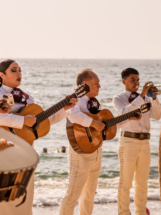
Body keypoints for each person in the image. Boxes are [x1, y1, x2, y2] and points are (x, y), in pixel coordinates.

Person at [0, 59, 77, 215]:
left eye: (20, 70)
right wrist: (23, 120)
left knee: (24, 199)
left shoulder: (28, 99)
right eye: (14, 70)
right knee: (4, 201)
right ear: (1, 75)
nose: (19, 73)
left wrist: (64, 109)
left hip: (26, 151)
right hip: (4, 150)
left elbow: (43, 122)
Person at [112, 68, 161, 215]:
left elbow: (157, 116)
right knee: (125, 183)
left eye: (138, 80)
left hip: (145, 143)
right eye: (133, 80)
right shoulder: (118, 98)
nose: (136, 82)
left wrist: (153, 98)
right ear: (124, 81)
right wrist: (142, 95)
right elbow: (124, 113)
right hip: (128, 141)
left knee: (142, 184)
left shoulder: (147, 98)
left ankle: (141, 212)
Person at [59, 68, 105, 215]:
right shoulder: (76, 100)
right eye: (96, 83)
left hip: (96, 151)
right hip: (80, 154)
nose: (99, 86)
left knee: (89, 196)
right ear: (84, 84)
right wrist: (94, 123)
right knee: (73, 194)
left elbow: (103, 126)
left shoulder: (94, 103)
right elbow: (73, 116)